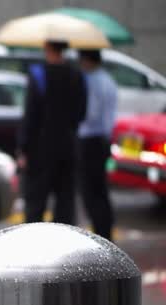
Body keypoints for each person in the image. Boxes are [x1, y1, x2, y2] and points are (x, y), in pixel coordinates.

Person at [18, 40, 87, 225]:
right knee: (65, 202)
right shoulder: (76, 74)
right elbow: (81, 114)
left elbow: (31, 115)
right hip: (68, 147)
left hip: (40, 148)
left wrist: (23, 148)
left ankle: (34, 243)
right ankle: (62, 246)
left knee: (35, 203)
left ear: (47, 48)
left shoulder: (38, 74)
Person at [77, 49, 117, 240]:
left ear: (87, 60)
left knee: (90, 192)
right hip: (103, 140)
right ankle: (106, 232)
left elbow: (90, 114)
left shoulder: (91, 81)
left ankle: (101, 235)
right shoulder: (108, 80)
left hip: (89, 141)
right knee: (100, 189)